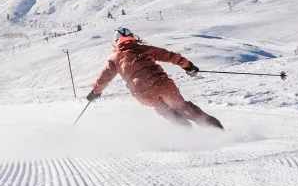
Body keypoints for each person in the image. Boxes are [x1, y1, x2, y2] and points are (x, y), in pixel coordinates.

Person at [86, 27, 223, 129]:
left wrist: (95, 92)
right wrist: (189, 66)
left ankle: (183, 128)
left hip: (143, 93)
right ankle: (214, 128)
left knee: (161, 108)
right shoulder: (145, 49)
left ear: (116, 43)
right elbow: (170, 56)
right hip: (164, 85)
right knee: (182, 106)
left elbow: (104, 78)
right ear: (133, 38)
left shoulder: (115, 59)